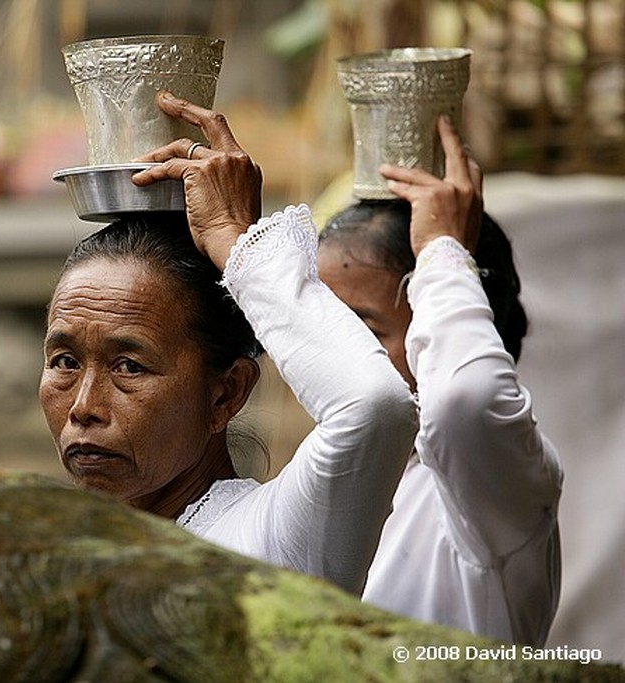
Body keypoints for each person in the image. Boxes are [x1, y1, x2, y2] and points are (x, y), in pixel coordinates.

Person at [38, 92, 419, 595]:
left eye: (129, 367)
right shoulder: (42, 553)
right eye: (65, 361)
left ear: (226, 393)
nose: (84, 408)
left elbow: (375, 405)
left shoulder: (272, 540)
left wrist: (235, 240)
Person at [317, 116, 563, 644]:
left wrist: (442, 252)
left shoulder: (491, 482)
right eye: (322, 325)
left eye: (362, 326)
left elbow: (463, 400)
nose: (330, 353)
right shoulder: (338, 473)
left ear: (435, 326)